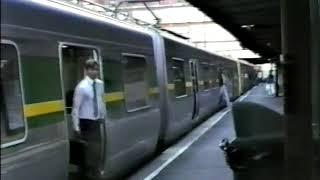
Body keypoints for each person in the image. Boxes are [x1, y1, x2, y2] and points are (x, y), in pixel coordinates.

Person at [72, 59, 106, 176]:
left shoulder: (100, 84)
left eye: (96, 69)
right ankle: (91, 174)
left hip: (96, 122)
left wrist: (102, 115)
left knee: (97, 153)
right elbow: (75, 109)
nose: (94, 72)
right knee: (88, 155)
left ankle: (94, 172)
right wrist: (76, 128)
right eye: (91, 69)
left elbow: (101, 101)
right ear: (86, 70)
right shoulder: (81, 87)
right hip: (85, 123)